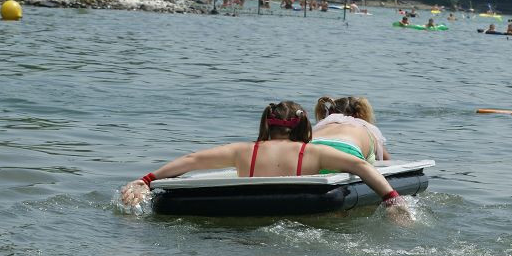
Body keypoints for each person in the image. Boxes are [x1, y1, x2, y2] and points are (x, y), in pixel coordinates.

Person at [120, 101, 408, 221]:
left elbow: (192, 160)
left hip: (240, 207)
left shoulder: (242, 150)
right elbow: (361, 166)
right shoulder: (314, 152)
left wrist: (147, 179)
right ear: (303, 127)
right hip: (299, 208)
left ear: (266, 124)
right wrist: (392, 198)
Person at [312, 96, 390, 165]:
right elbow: (386, 160)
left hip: (311, 149)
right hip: (349, 153)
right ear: (359, 114)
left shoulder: (322, 125)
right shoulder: (364, 128)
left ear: (328, 114)